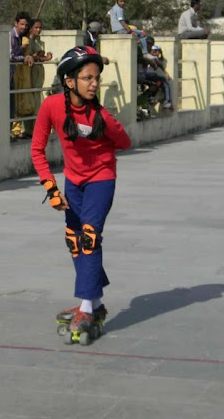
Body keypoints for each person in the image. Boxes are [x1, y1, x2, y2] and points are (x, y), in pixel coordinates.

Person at [31, 45, 131, 340]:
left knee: (89, 237)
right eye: (88, 78)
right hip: (73, 181)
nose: (95, 83)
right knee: (74, 240)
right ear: (69, 81)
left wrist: (107, 129)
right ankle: (95, 303)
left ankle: (86, 307)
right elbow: (37, 149)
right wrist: (51, 188)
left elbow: (124, 142)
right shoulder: (50, 106)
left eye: (97, 78)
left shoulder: (100, 115)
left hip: (101, 178)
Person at [108, 0, 156, 65]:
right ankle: (145, 53)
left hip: (116, 30)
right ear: (117, 1)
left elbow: (107, 15)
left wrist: (113, 18)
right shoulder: (119, 9)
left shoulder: (113, 8)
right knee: (141, 33)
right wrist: (129, 30)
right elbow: (121, 21)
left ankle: (140, 46)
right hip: (121, 30)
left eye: (124, 1)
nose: (123, 3)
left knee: (138, 34)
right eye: (121, 1)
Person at [9, 11, 34, 140]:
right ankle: (9, 133)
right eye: (21, 24)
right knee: (9, 105)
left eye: (26, 25)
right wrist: (23, 58)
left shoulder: (20, 37)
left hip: (12, 74)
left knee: (11, 106)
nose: (24, 27)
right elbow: (10, 56)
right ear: (16, 23)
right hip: (7, 74)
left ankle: (9, 133)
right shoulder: (11, 36)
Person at [28, 19, 53, 135]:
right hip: (30, 73)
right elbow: (30, 56)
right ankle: (28, 129)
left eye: (40, 27)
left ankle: (36, 129)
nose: (38, 30)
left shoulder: (38, 41)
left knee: (38, 99)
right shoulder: (28, 40)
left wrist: (45, 58)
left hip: (38, 73)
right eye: (36, 27)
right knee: (31, 100)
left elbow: (39, 57)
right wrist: (38, 56)